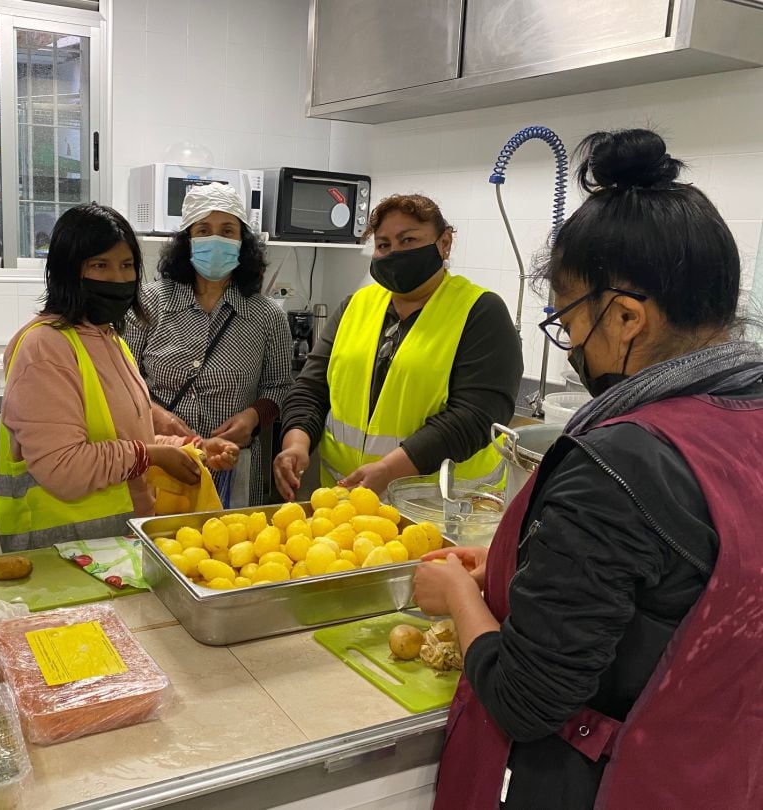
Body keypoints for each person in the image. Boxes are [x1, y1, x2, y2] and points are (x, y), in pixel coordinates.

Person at [412, 128, 763, 810]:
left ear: (627, 317)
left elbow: (526, 699)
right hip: (721, 775)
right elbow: (676, 584)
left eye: (568, 320)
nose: (570, 342)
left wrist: (459, 594)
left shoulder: (622, 462)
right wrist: (520, 567)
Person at [0, 203, 239, 550]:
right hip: (63, 556)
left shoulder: (109, 338)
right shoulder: (45, 347)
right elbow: (63, 469)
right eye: (100, 265)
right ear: (67, 270)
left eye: (127, 266)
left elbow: (126, 436)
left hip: (113, 546)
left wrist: (190, 448)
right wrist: (153, 456)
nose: (119, 279)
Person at [274, 194, 522, 499]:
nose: (395, 253)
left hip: (440, 510)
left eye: (408, 240)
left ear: (444, 243)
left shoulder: (479, 311)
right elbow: (311, 388)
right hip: (347, 502)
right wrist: (296, 444)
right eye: (384, 245)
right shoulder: (355, 306)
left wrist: (390, 469)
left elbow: (474, 416)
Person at [125, 182, 293, 507]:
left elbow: (280, 386)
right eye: (204, 229)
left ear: (242, 243)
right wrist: (154, 413)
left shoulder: (267, 315)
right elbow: (119, 382)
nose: (216, 239)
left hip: (232, 464)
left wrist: (254, 417)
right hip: (162, 461)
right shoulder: (148, 303)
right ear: (187, 239)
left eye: (227, 230)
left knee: (230, 548)